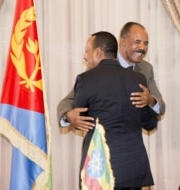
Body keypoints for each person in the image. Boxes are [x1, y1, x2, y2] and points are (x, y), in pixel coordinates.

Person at [73, 31, 158, 189]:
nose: (85, 57)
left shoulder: (85, 80)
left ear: (98, 52)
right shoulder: (137, 79)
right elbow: (150, 123)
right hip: (134, 171)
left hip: (99, 171)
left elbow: (81, 122)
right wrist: (149, 102)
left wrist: (70, 117)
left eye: (87, 51)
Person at [57, 22, 165, 130]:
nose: (142, 48)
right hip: (100, 140)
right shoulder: (100, 63)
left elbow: (161, 107)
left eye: (146, 43)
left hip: (130, 140)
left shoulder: (146, 69)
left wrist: (151, 100)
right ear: (123, 42)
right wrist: (67, 116)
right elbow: (69, 100)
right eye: (137, 42)